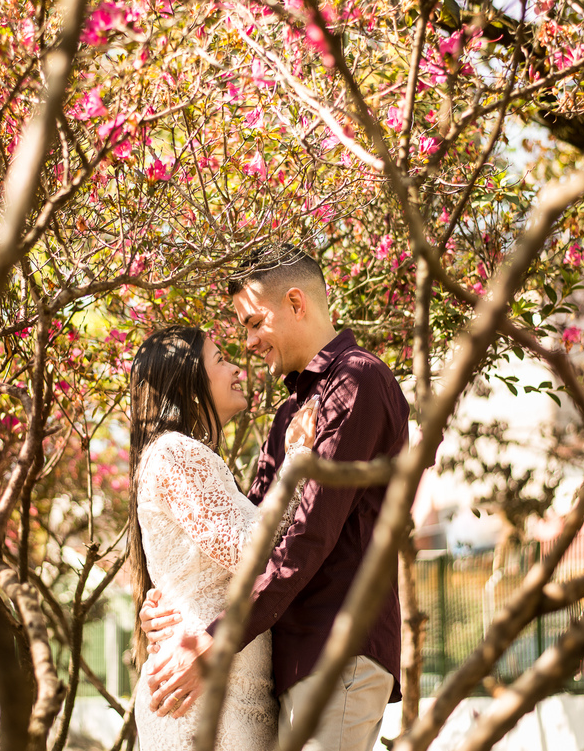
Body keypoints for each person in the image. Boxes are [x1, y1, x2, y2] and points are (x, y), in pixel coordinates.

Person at [141, 244, 409, 751]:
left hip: (336, 649)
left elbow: (309, 534)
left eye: (254, 323)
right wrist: (166, 600)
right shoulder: (292, 413)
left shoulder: (356, 381)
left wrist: (216, 639)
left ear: (295, 302)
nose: (248, 343)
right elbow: (254, 537)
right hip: (288, 655)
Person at [128, 325, 316, 751]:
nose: (235, 368)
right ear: (189, 385)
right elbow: (251, 553)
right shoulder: (177, 453)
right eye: (220, 359)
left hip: (226, 687)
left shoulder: (184, 456)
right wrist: (300, 460)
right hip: (200, 696)